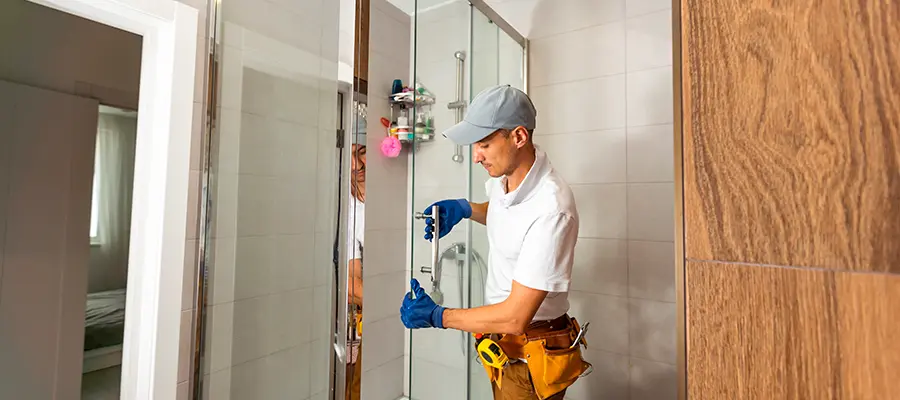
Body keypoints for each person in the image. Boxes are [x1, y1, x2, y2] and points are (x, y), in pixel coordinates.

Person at [399, 85, 590, 400]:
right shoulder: (507, 181)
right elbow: (510, 218)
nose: (476, 157)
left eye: (485, 144)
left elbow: (516, 316)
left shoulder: (551, 208)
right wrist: (466, 209)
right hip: (504, 350)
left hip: (529, 357)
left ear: (518, 137)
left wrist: (438, 316)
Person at [346, 136, 366, 400]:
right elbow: (350, 281)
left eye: (362, 152)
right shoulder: (348, 206)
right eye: (350, 155)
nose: (356, 164)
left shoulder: (394, 192)